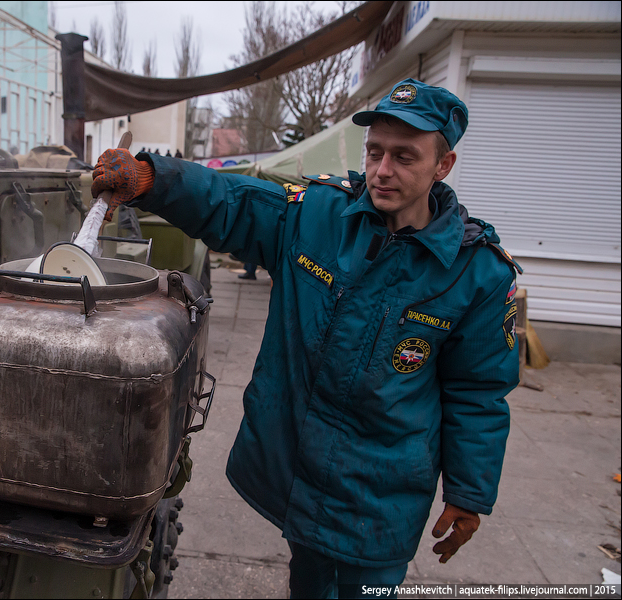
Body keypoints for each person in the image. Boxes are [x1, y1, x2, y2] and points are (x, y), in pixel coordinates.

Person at [91, 79, 520, 598]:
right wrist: (151, 178)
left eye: (404, 157)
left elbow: (477, 392)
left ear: (443, 165)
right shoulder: (317, 217)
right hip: (301, 483)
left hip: (379, 502)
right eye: (375, 152)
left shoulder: (476, 273)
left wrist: (469, 493)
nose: (382, 170)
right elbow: (232, 203)